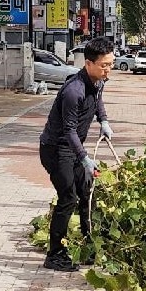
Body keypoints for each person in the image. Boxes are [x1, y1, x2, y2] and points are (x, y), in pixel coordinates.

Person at [38, 36, 115, 272]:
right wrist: (84, 158)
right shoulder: (74, 90)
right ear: (89, 63)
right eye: (104, 65)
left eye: (111, 64)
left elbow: (99, 99)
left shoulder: (98, 81)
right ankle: (55, 255)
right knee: (68, 198)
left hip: (73, 148)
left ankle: (87, 245)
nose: (108, 70)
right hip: (57, 149)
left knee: (87, 191)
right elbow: (69, 130)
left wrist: (103, 120)